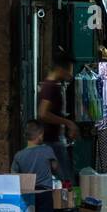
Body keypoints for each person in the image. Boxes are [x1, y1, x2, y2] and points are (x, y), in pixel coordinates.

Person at [11, 121, 61, 212]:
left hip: (27, 193)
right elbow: (55, 167)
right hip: (44, 191)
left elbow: (13, 174)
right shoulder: (46, 150)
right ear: (39, 135)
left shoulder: (19, 155)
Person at [38, 55, 78, 185]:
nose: (70, 75)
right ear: (61, 69)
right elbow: (43, 113)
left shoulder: (52, 85)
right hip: (52, 141)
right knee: (66, 180)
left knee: (64, 180)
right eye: (69, 70)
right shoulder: (50, 87)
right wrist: (67, 122)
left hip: (53, 140)